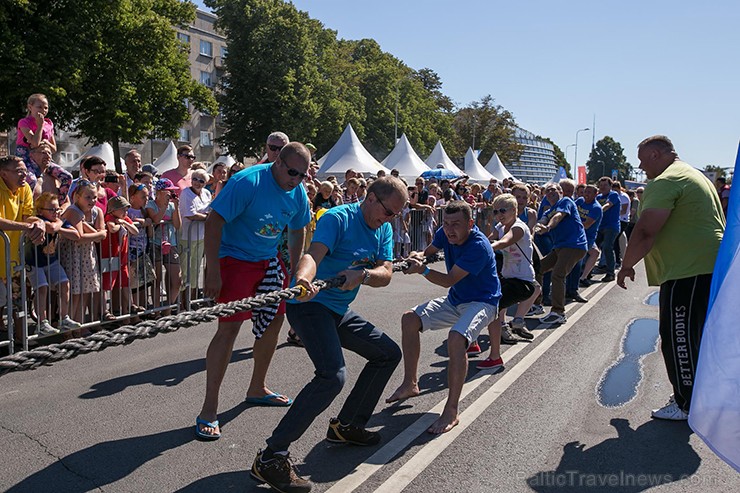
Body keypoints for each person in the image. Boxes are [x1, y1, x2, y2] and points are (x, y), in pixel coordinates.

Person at [251, 177, 407, 493]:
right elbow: (313, 255)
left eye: (395, 215)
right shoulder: (338, 218)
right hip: (309, 306)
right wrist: (303, 279)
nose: (390, 219)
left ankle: (348, 426)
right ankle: (271, 457)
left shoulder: (383, 228)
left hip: (336, 310)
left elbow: (386, 273)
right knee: (331, 376)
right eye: (389, 212)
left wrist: (363, 274)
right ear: (372, 198)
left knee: (387, 353)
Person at [196, 143, 312, 440]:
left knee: (275, 321)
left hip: (268, 261)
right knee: (229, 331)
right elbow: (214, 221)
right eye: (292, 172)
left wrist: (296, 270)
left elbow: (299, 229)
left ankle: (257, 387)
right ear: (277, 161)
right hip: (234, 259)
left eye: (302, 175)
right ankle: (209, 409)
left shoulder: (297, 192)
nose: (296, 179)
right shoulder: (248, 181)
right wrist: (213, 271)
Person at [617, 135, 724, 421]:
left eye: (642, 160)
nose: (641, 167)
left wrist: (626, 265)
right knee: (693, 336)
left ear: (655, 154)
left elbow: (644, 230)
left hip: (687, 270)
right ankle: (696, 396)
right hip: (703, 267)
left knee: (678, 338)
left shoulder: (666, 180)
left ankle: (687, 404)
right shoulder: (694, 175)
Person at [386, 200, 501, 434]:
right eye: (446, 223)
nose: (450, 230)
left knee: (456, 339)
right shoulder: (444, 232)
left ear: (470, 223)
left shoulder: (478, 245)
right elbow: (428, 252)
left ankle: (451, 411)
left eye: (456, 224)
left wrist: (423, 270)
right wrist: (416, 256)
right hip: (456, 299)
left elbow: (448, 280)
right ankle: (410, 383)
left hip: (483, 302)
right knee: (409, 319)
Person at [475, 193, 537, 370]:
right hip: (509, 279)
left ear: (514, 210)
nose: (499, 214)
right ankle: (477, 344)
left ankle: (493, 355)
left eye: (503, 210)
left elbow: (503, 242)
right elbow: (489, 237)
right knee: (485, 303)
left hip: (523, 283)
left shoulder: (519, 228)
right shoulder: (501, 226)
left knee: (491, 306)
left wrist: (485, 248)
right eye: (495, 211)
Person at [0, 156, 46, 340]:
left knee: (19, 302)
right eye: (19, 171)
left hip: (13, 260)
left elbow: (28, 217)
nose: (24, 175)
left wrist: (39, 223)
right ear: (3, 173)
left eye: (25, 171)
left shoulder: (25, 188)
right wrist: (27, 227)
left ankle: (21, 341)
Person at [26, 193, 82, 336]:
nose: (55, 212)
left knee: (64, 284)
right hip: (35, 262)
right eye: (51, 210)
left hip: (51, 260)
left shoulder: (59, 220)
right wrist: (60, 222)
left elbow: (76, 235)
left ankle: (64, 318)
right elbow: (50, 227)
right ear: (40, 211)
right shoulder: (39, 219)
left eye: (57, 209)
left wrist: (60, 225)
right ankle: (42, 323)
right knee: (42, 288)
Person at [533, 183, 587, 325]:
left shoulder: (565, 201)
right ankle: (536, 304)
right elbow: (542, 221)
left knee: (558, 274)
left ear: (560, 192)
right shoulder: (547, 211)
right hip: (560, 247)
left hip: (574, 245)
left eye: (553, 190)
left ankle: (558, 312)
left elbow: (558, 216)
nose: (550, 192)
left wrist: (548, 227)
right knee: (538, 268)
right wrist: (537, 228)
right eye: (547, 191)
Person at [179, 169, 212, 302]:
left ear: (206, 183)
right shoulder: (186, 193)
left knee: (195, 269)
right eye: (195, 179)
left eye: (201, 180)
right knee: (184, 270)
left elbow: (210, 209)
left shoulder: (207, 193)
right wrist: (207, 218)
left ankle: (191, 300)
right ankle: (181, 302)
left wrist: (206, 216)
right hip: (186, 236)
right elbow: (191, 214)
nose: (197, 182)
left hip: (201, 236)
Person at [15, 94, 57, 167]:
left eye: (46, 108)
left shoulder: (49, 124)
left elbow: (53, 149)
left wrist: (46, 142)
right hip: (26, 158)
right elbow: (35, 143)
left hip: (43, 159)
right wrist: (40, 125)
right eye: (39, 107)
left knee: (66, 175)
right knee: (33, 177)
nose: (43, 110)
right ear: (30, 107)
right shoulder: (24, 122)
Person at [594, 177, 621, 282]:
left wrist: (598, 212)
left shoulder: (613, 195)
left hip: (611, 226)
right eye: (601, 185)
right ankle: (586, 271)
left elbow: (607, 205)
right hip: (600, 226)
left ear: (610, 186)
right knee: (591, 247)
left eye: (605, 185)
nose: (603, 187)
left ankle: (610, 273)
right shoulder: (598, 197)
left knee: (607, 247)